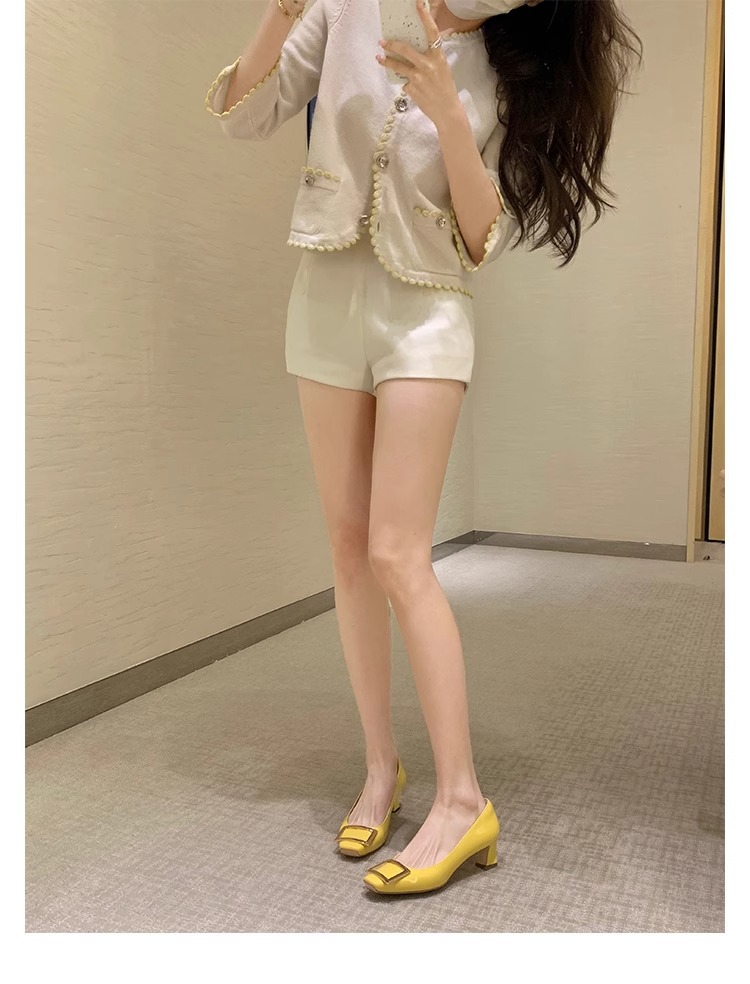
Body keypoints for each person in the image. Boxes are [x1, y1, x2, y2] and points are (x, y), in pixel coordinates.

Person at [205, 0, 642, 895]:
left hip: (427, 311)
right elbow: (245, 115)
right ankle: (380, 769)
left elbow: (480, 236)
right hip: (325, 297)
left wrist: (449, 112)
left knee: (400, 553)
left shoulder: (509, 61)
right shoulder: (347, 8)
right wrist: (276, 18)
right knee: (348, 548)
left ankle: (463, 799)